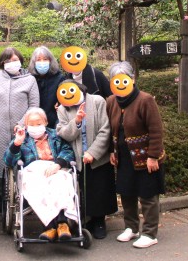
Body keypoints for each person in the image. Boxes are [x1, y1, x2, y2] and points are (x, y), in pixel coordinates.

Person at [106, 61, 166, 249]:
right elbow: (110, 129)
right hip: (124, 157)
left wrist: (153, 156)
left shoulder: (145, 100)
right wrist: (111, 151)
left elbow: (156, 130)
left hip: (146, 157)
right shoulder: (111, 101)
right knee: (127, 193)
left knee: (148, 195)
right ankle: (131, 228)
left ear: (132, 79)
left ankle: (149, 233)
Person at [0, 47, 40, 213]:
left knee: (22, 163)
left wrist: (22, 123)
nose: (11, 63)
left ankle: (24, 197)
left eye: (14, 60)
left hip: (21, 131)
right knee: (0, 165)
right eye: (7, 61)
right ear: (2, 63)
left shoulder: (30, 80)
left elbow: (34, 105)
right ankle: (0, 197)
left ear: (20, 61)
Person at [56, 80, 117, 239]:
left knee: (99, 188)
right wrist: (76, 122)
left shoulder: (97, 101)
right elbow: (64, 133)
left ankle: (99, 222)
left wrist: (93, 152)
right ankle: (85, 221)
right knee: (82, 190)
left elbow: (105, 129)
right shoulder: (62, 108)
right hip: (77, 157)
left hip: (98, 156)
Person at [4, 108, 77, 242]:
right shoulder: (22, 137)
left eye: (39, 123)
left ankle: (62, 224)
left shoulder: (56, 135)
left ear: (46, 122)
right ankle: (50, 227)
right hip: (33, 172)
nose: (35, 127)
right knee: (39, 185)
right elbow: (8, 161)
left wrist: (58, 164)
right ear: (26, 125)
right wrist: (17, 143)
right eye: (31, 124)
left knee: (60, 181)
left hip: (55, 169)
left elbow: (67, 151)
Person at [28, 46, 65, 128]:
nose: (42, 62)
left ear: (50, 61)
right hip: (34, 123)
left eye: (45, 59)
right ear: (34, 62)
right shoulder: (29, 79)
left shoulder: (59, 78)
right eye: (38, 60)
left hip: (53, 123)